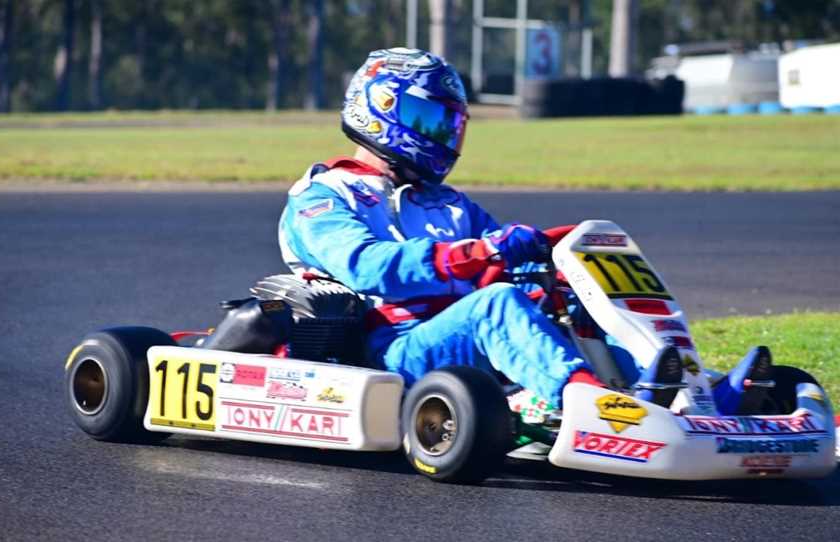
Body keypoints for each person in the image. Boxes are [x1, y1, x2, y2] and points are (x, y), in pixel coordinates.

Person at [278, 48, 677, 420]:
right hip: (390, 350)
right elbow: (368, 267)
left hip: (459, 341)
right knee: (496, 305)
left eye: (450, 125)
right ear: (381, 109)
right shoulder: (323, 196)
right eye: (430, 120)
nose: (443, 136)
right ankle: (594, 408)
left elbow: (499, 254)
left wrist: (543, 265)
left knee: (571, 303)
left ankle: (679, 392)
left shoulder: (450, 203)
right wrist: (471, 255)